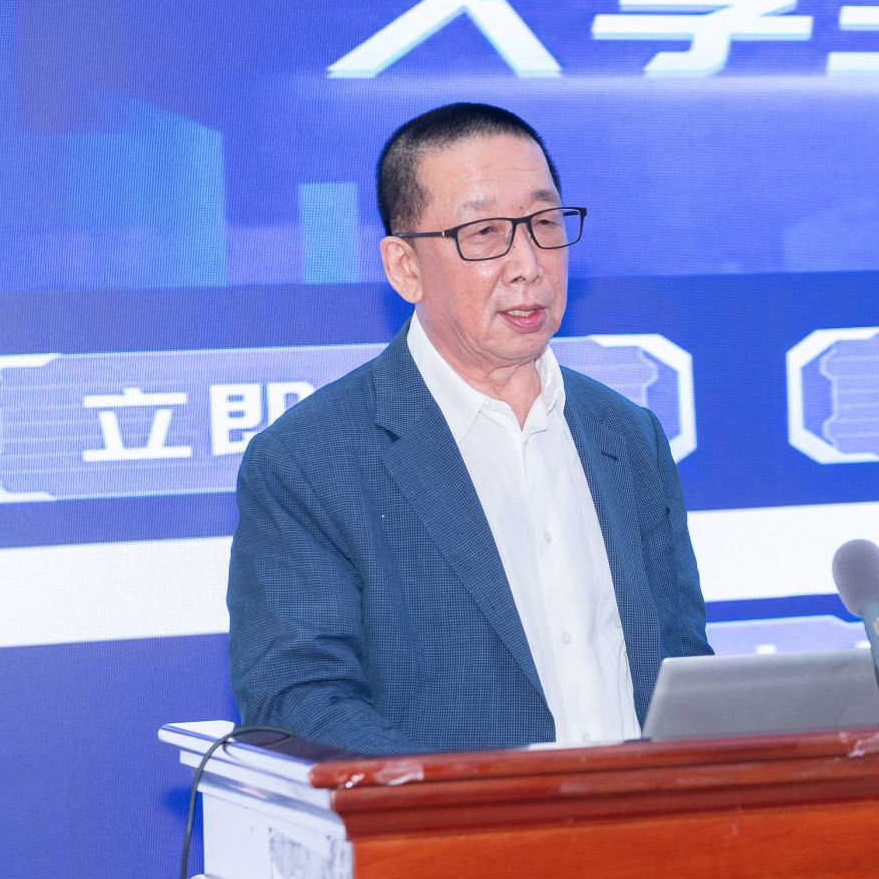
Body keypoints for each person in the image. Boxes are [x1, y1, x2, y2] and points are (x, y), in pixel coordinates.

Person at [227, 101, 711, 758]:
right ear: (404, 267)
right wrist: (466, 800)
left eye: (544, 223)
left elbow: (682, 667)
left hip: (644, 820)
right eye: (484, 234)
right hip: (456, 823)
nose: (528, 264)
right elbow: (299, 699)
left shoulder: (627, 435)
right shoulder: (309, 460)